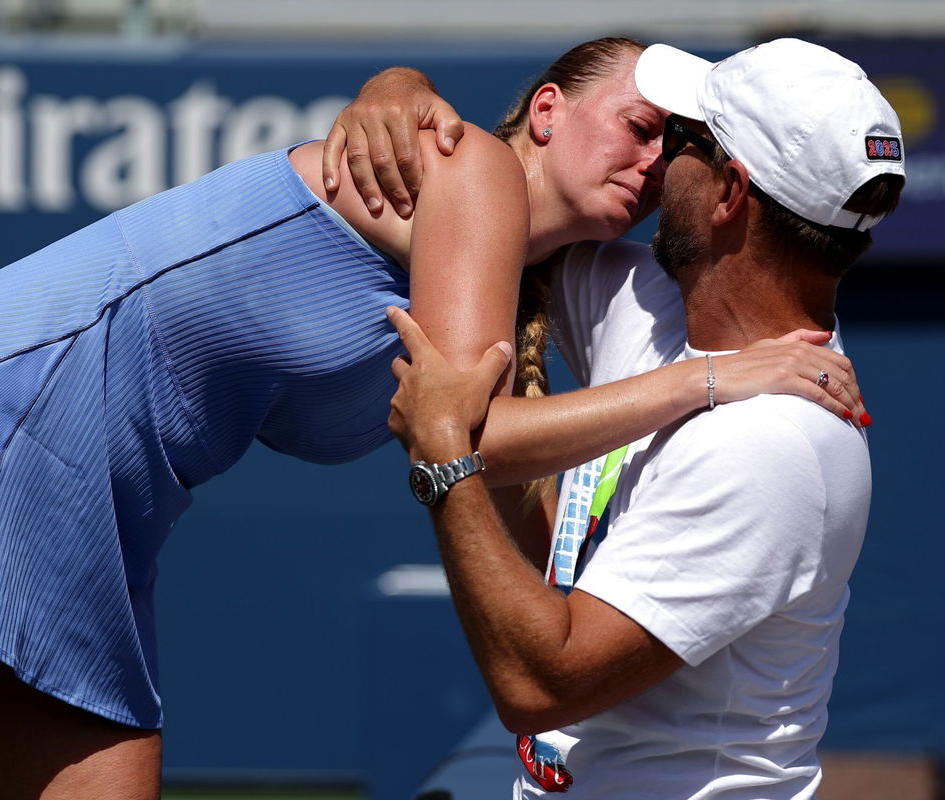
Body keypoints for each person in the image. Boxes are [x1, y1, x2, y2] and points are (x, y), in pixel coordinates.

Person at [0, 40, 863, 800]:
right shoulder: (468, 167)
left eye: (673, 143)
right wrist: (713, 381)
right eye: (635, 124)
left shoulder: (537, 280)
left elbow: (490, 466)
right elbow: (460, 437)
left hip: (94, 492)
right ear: (543, 111)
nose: (652, 156)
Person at [362, 38, 902, 798]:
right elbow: (508, 201)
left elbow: (542, 684)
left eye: (681, 140)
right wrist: (398, 89)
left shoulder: (774, 443)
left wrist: (444, 457)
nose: (655, 163)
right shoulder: (653, 298)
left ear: (728, 194)